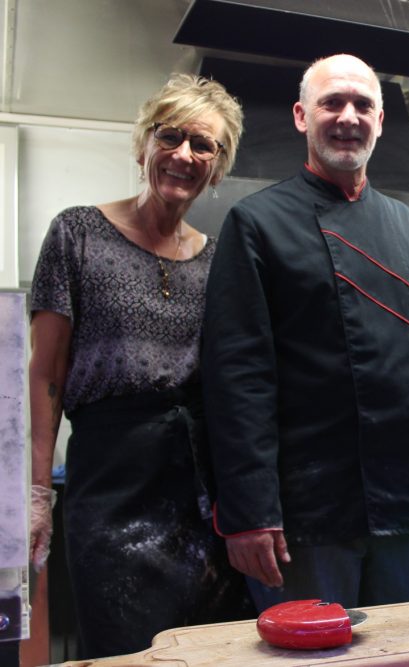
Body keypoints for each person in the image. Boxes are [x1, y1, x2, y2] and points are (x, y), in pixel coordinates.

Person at [201, 53, 409, 611]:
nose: (349, 117)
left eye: (362, 105)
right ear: (302, 116)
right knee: (314, 653)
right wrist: (249, 511)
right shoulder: (256, 223)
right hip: (307, 512)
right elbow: (238, 379)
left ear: (380, 122)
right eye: (332, 103)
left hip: (408, 504)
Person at [27, 74, 248, 658]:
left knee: (207, 647)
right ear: (143, 143)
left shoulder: (218, 260)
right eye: (169, 136)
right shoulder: (77, 233)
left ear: (218, 167)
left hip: (196, 489)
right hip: (108, 483)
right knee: (123, 646)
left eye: (203, 145)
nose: (183, 155)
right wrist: (36, 493)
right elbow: (45, 373)